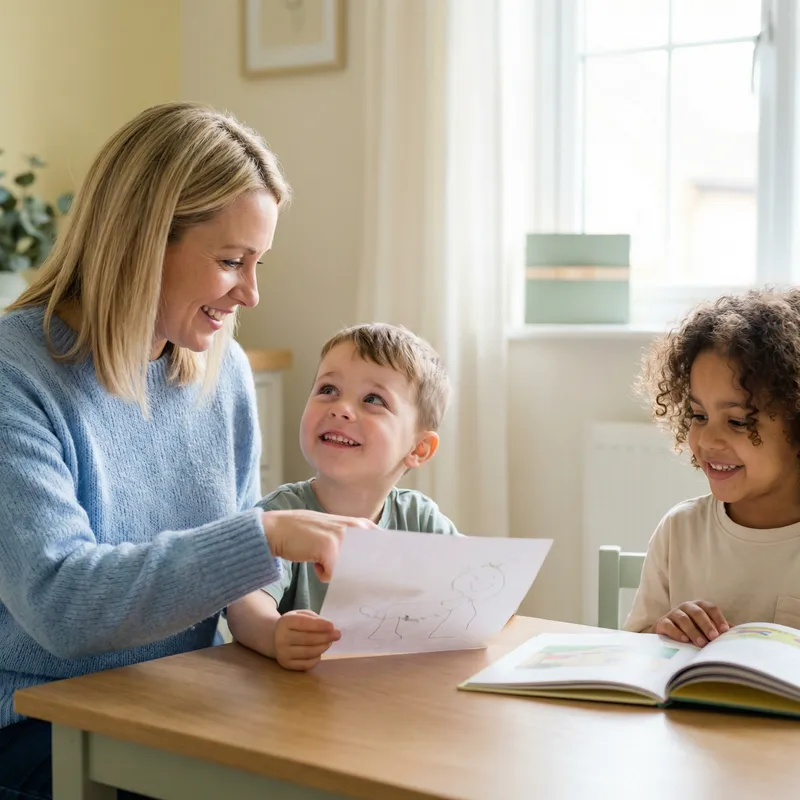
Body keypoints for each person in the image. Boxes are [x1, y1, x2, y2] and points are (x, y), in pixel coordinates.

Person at [0, 101, 374, 799]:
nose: (251, 294)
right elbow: (61, 603)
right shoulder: (13, 375)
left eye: (258, 263)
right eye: (231, 261)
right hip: (41, 724)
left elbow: (229, 579)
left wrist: (269, 626)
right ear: (141, 243)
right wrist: (263, 535)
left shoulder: (221, 370)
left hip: (178, 700)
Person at [227, 323, 460, 670]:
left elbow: (468, 585)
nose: (341, 409)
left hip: (387, 689)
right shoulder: (284, 516)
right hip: (297, 693)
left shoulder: (420, 518)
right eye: (328, 389)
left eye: (373, 400)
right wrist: (274, 633)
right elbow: (243, 604)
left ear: (419, 448)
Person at [624, 289, 800, 646]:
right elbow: (634, 649)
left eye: (737, 422)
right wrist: (663, 631)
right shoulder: (680, 531)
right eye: (699, 416)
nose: (707, 440)